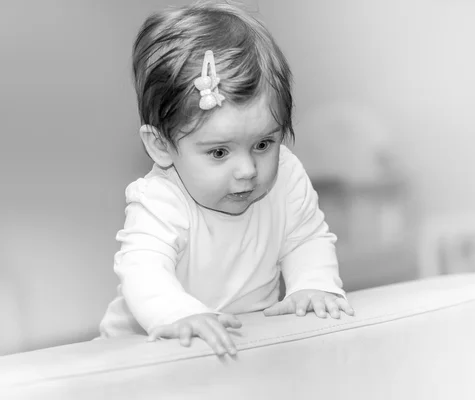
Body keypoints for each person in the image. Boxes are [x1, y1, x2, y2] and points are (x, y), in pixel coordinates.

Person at [98, 1, 354, 357]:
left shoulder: (286, 177)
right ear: (161, 146)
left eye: (264, 144)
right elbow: (142, 267)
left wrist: (312, 285)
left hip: (240, 344)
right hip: (141, 352)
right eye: (219, 152)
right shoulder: (160, 199)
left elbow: (306, 238)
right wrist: (179, 313)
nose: (248, 170)